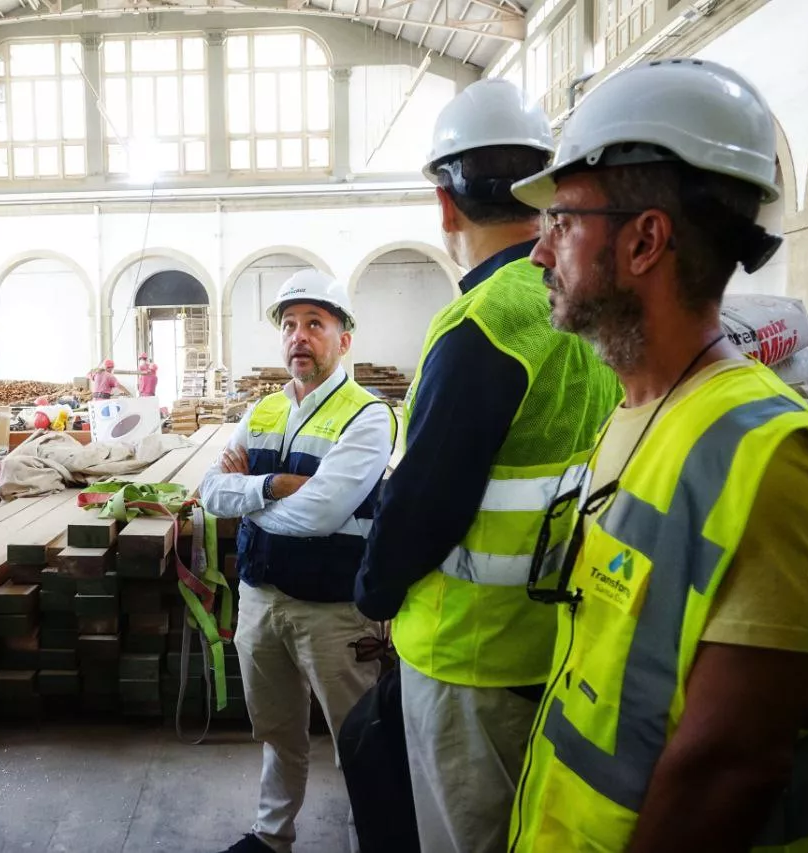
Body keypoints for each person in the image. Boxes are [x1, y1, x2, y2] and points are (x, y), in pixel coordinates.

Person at [506, 58, 808, 851]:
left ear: (645, 241)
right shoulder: (644, 409)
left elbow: (730, 767)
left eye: (560, 222)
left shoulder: (767, 458)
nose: (538, 253)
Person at [353, 79, 621, 853]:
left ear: (445, 202)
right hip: (569, 642)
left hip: (467, 658)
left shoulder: (479, 324)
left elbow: (425, 500)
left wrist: (373, 587)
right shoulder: (586, 301)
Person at [201, 269, 396, 853]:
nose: (299, 336)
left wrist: (249, 498)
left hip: (334, 612)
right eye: (289, 324)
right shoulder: (261, 411)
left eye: (315, 323)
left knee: (358, 739)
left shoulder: (369, 416)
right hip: (262, 600)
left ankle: (379, 840)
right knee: (277, 732)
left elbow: (321, 515)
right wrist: (276, 487)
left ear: (344, 339)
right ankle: (271, 835)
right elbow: (211, 493)